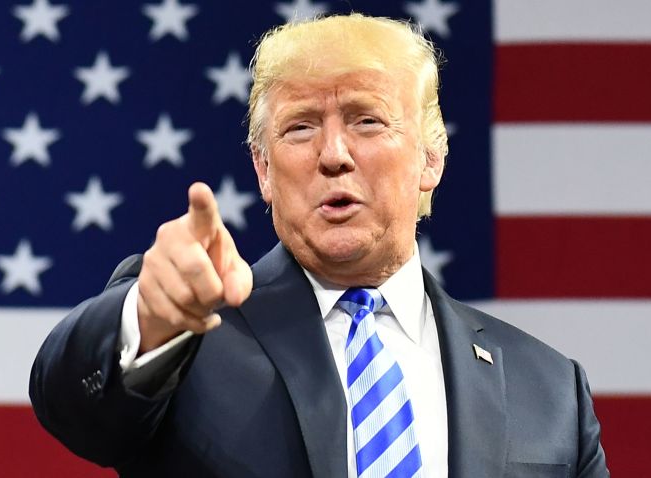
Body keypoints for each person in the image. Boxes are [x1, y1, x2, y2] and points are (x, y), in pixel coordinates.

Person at [30, 13, 609, 478]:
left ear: (430, 158)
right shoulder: (192, 334)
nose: (333, 153)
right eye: (301, 127)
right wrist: (150, 319)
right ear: (263, 169)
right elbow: (74, 408)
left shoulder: (550, 387)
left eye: (367, 121)